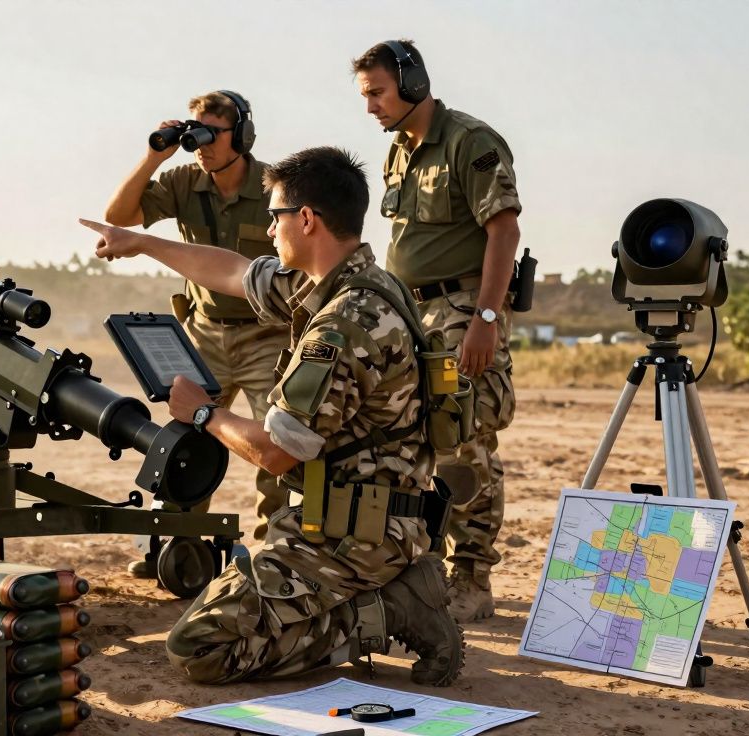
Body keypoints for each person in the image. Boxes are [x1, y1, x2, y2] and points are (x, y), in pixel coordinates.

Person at [82, 146, 463, 686]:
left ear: (306, 219)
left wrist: (203, 413)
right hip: (374, 517)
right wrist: (141, 242)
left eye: (275, 216)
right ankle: (392, 590)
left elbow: (276, 451)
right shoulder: (362, 285)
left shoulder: (344, 323)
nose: (268, 229)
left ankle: (387, 610)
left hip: (355, 535)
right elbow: (234, 272)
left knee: (199, 648)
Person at [354, 40, 523, 622]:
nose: (371, 106)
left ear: (414, 83)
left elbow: (504, 231)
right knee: (412, 440)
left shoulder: (469, 141)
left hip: (461, 310)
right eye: (365, 95)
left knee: (464, 438)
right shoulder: (399, 151)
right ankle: (424, 567)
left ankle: (473, 577)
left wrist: (485, 319)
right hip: (411, 313)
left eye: (378, 92)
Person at [103, 90, 290, 575]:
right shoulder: (184, 180)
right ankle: (176, 548)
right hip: (204, 333)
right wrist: (154, 156)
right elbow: (120, 216)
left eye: (212, 135)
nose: (201, 147)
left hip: (267, 334)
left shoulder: (274, 189)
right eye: (195, 136)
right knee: (185, 439)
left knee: (277, 440)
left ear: (242, 136)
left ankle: (277, 554)